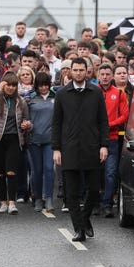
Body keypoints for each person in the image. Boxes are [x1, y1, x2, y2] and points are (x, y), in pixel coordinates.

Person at [52, 57, 110, 242]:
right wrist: (56, 149)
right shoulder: (62, 94)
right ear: (70, 72)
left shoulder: (95, 92)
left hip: (92, 148)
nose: (78, 73)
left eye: (81, 70)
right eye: (75, 70)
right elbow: (56, 123)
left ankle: (85, 219)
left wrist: (104, 145)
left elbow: (103, 121)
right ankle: (79, 229)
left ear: (87, 71)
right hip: (69, 149)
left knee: (94, 190)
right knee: (72, 194)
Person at [0, 72, 32, 215]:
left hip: (14, 139)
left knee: (11, 171)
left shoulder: (21, 101)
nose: (11, 88)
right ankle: (3, 202)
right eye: (8, 85)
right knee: (0, 173)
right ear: (3, 85)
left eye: (13, 85)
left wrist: (27, 125)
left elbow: (26, 119)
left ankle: (12, 202)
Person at [97, 64, 129, 218]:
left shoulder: (119, 93)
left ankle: (107, 204)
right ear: (98, 75)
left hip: (112, 138)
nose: (104, 77)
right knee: (94, 172)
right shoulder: (92, 92)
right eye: (102, 74)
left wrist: (110, 124)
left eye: (107, 74)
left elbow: (125, 115)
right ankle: (94, 202)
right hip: (94, 138)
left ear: (112, 76)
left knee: (110, 172)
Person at [27, 72, 56, 213]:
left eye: (46, 85)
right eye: (40, 85)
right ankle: (38, 198)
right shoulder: (30, 98)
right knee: (37, 170)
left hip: (50, 140)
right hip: (34, 140)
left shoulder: (55, 97)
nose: (43, 88)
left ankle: (49, 198)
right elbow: (24, 117)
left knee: (49, 168)